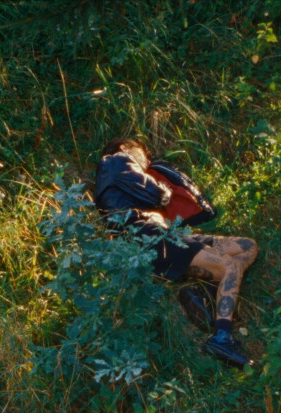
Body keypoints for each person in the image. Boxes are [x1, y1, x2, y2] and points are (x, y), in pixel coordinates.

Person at [95, 138, 258, 367]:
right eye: (144, 154)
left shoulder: (115, 179)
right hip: (147, 236)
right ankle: (222, 338)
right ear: (125, 147)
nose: (148, 162)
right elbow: (156, 194)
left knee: (247, 246)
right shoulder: (116, 160)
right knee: (229, 266)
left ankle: (204, 293)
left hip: (162, 235)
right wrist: (164, 189)